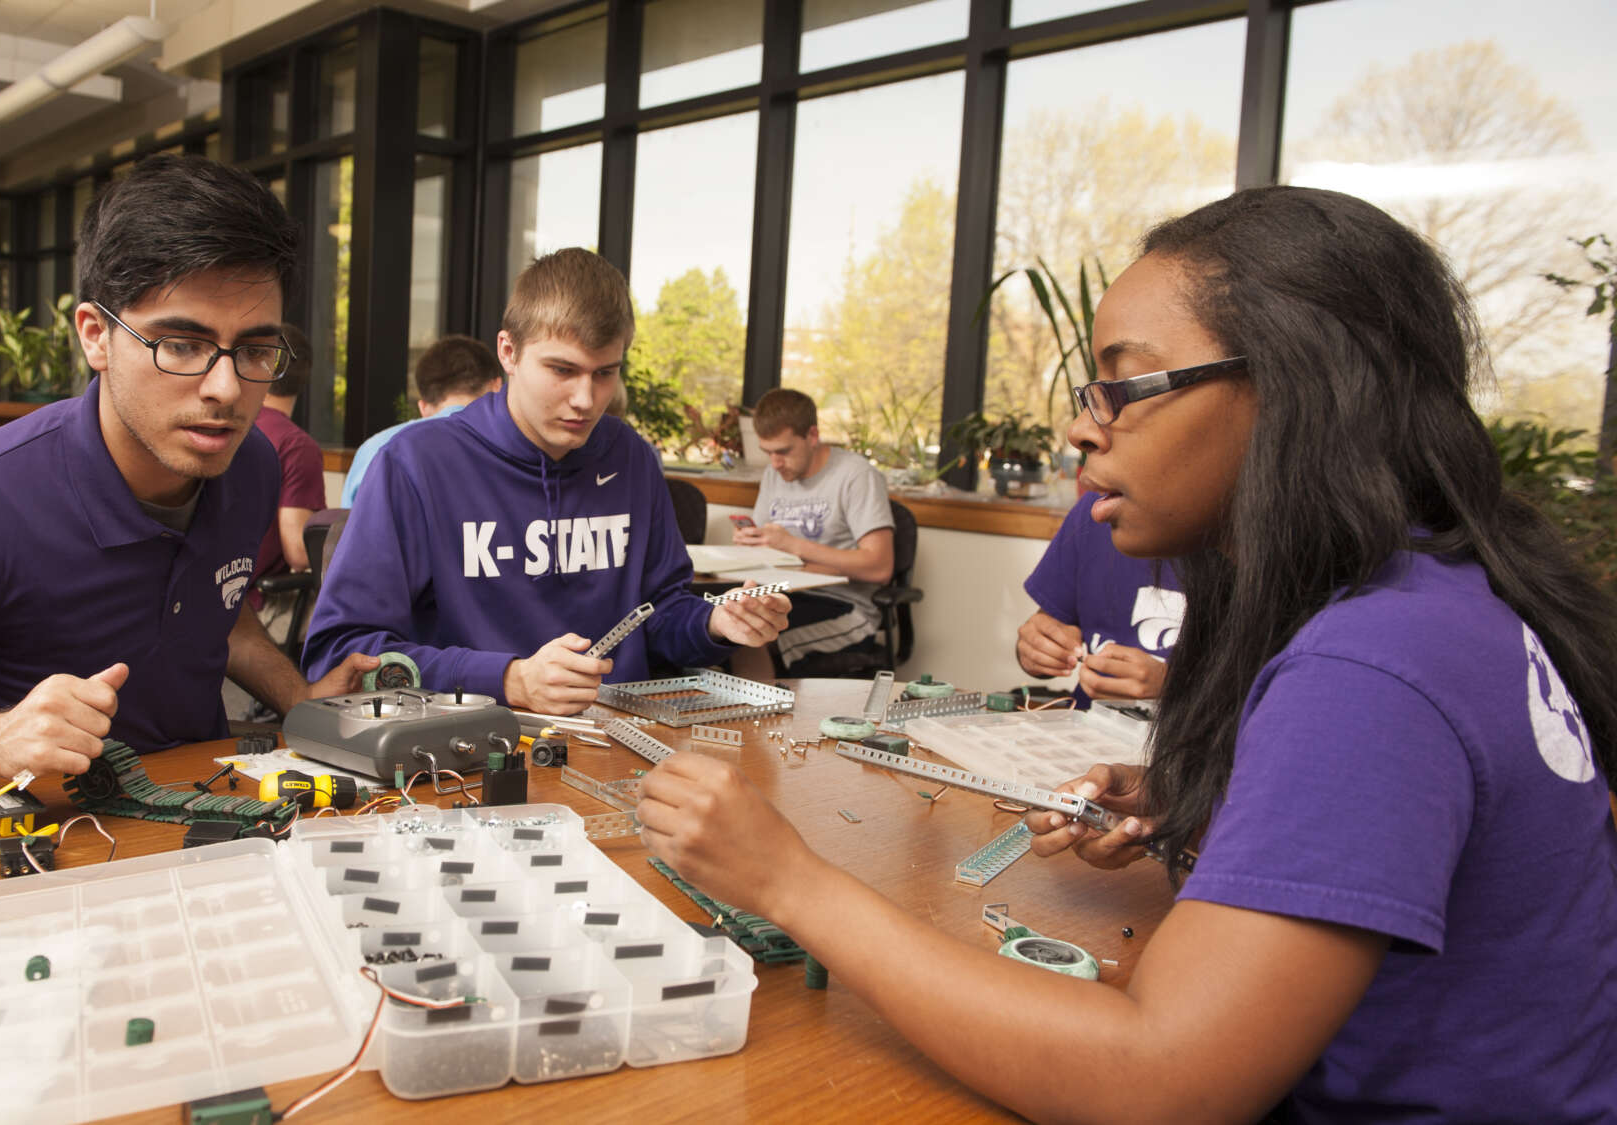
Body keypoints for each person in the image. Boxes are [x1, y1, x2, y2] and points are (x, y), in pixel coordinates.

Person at [637, 187, 1617, 1121]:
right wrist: (1222, 804)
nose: (1078, 426)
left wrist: (788, 884)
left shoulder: (1366, 670)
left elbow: (1158, 1086)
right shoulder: (1436, 602)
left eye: (1125, 384)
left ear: (1292, 391)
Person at [0, 155, 376, 800]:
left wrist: (302, 699)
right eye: (181, 345)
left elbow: (221, 612)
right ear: (96, 336)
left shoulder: (250, 464)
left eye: (256, 351)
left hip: (204, 806)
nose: (226, 389)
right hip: (35, 841)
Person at [303, 248, 789, 714]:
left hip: (618, 738)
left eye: (605, 374)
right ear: (508, 352)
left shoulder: (632, 457)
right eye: (562, 369)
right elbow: (342, 654)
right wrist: (509, 679)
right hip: (468, 745)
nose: (585, 399)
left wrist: (714, 623)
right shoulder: (417, 464)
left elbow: (657, 613)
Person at [731, 388, 894, 677]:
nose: (775, 463)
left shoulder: (856, 476)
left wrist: (792, 545)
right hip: (786, 594)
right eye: (767, 452)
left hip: (846, 606)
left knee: (756, 636)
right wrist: (750, 543)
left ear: (813, 436)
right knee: (727, 624)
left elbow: (880, 566)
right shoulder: (774, 474)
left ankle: (763, 719)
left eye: (783, 451)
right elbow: (769, 548)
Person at [1016, 491, 1184, 704]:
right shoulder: (1097, 508)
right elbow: (1047, 626)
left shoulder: (1232, 536)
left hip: (1191, 733)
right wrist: (1035, 649)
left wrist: (1172, 686)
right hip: (1087, 725)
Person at [340, 335, 503, 507]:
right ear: (497, 386)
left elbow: (344, 526)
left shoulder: (374, 448)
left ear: (423, 407)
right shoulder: (510, 447)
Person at [252, 323, 326, 585]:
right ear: (306, 375)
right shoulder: (296, 446)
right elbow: (300, 554)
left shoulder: (227, 428)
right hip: (257, 604)